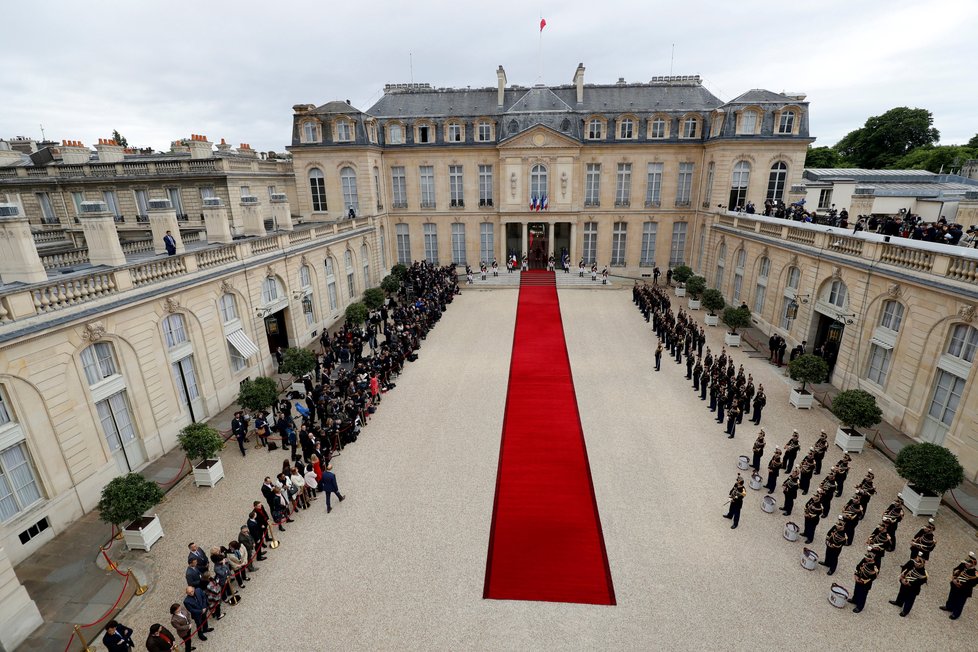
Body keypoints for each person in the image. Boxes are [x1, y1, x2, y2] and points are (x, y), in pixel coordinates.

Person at [941, 552, 978, 620]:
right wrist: (954, 578)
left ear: (973, 564)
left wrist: (960, 585)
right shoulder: (963, 565)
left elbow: (972, 584)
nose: (966, 564)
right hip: (955, 585)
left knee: (960, 602)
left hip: (964, 590)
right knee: (951, 596)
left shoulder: (975, 574)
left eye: (968, 563)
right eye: (966, 563)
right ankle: (949, 607)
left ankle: (956, 614)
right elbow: (956, 569)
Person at [850, 549, 880, 614]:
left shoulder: (874, 566)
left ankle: (859, 607)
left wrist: (864, 581)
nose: (866, 558)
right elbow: (858, 566)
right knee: (856, 590)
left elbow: (873, 576)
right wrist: (856, 575)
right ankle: (854, 600)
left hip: (866, 582)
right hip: (859, 577)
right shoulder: (865, 560)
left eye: (868, 558)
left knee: (863, 595)